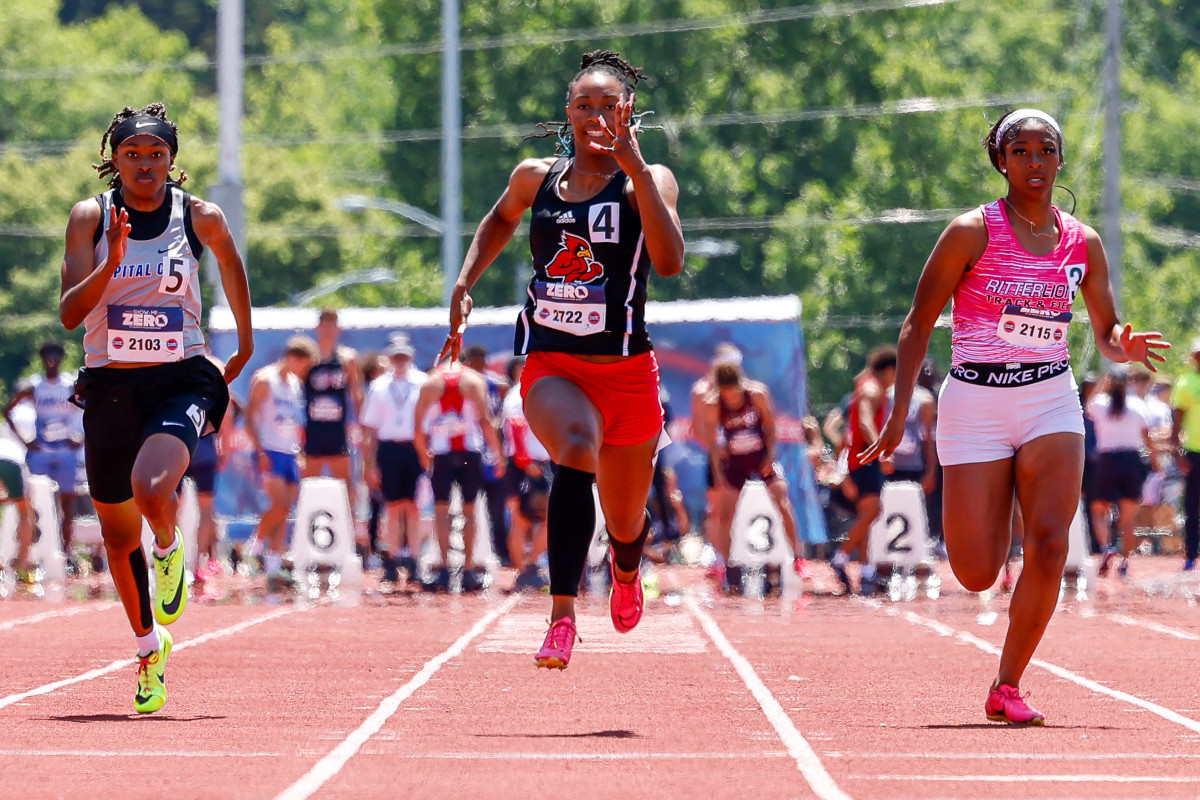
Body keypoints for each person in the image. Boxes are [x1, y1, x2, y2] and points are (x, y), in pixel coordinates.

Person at [861, 108, 1168, 725]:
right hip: (974, 401)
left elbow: (1105, 329)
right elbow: (918, 323)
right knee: (976, 571)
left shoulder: (1083, 241)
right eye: (1020, 150)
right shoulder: (970, 231)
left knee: (1052, 543)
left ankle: (1008, 683)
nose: (1034, 161)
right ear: (1001, 161)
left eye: (1045, 149)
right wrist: (898, 414)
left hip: (1049, 397)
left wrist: (1121, 346)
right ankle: (993, 534)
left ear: (1059, 160)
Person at [440, 49, 684, 668]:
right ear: (567, 115)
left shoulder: (647, 181)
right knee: (574, 450)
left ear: (628, 113)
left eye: (609, 105)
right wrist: (465, 283)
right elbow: (498, 220)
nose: (596, 114)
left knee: (626, 520)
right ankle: (562, 617)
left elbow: (671, 260)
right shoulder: (534, 178)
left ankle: (626, 566)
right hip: (553, 365)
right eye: (584, 105)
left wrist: (631, 161)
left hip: (628, 375)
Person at [59, 102, 252, 713]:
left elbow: (232, 267)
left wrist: (243, 346)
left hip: (180, 380)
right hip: (110, 388)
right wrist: (112, 263)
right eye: (132, 154)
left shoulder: (199, 217)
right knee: (117, 540)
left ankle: (169, 547)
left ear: (173, 161)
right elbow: (69, 314)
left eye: (157, 155)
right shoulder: (92, 217)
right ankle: (149, 648)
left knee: (152, 489)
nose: (145, 165)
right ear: (112, 160)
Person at [700, 361, 802, 593]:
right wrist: (718, 475)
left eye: (734, 393)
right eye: (727, 394)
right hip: (735, 462)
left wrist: (770, 456)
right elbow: (713, 444)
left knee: (782, 501)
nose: (732, 398)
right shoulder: (713, 403)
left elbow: (771, 426)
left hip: (759, 455)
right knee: (726, 512)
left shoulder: (756, 394)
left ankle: (797, 557)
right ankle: (730, 569)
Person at [413, 357, 505, 592]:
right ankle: (467, 570)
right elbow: (486, 420)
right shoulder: (474, 380)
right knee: (469, 510)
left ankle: (444, 569)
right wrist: (498, 454)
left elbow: (418, 427)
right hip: (469, 453)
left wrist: (424, 456)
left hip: (442, 453)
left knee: (441, 509)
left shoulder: (430, 382)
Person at [3, 342, 85, 569]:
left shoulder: (69, 385)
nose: (51, 361)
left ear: (60, 360)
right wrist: (25, 441)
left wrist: (81, 438)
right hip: (41, 451)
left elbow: (92, 408)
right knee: (36, 502)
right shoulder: (35, 386)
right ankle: (34, 552)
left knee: (67, 503)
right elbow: (8, 410)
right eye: (47, 357)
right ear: (42, 360)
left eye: (55, 357)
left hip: (66, 450)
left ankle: (66, 553)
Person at [245, 335, 316, 589]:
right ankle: (255, 544)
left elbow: (297, 422)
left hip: (289, 452)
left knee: (286, 510)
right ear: (292, 358)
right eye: (304, 365)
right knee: (278, 504)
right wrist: (259, 450)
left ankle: (274, 565)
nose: (305, 371)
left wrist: (301, 451)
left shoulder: (296, 384)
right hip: (270, 450)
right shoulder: (266, 380)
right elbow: (250, 415)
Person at [359, 335, 427, 586]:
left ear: (411, 356)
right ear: (389, 358)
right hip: (388, 449)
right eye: (395, 356)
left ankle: (415, 561)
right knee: (393, 507)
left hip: (414, 447)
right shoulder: (378, 386)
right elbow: (369, 429)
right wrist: (369, 463)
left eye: (404, 356)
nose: (400, 361)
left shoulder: (422, 382)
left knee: (414, 507)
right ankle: (393, 559)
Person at [831, 347, 897, 596]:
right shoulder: (871, 389)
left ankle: (866, 570)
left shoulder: (865, 386)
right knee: (872, 511)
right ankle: (840, 557)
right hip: (864, 460)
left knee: (866, 516)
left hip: (858, 460)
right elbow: (864, 422)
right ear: (890, 370)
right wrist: (880, 451)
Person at [1086, 365, 1153, 579]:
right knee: (1128, 517)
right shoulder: (1137, 404)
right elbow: (1146, 436)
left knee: (1099, 510)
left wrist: (1102, 384)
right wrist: (1155, 461)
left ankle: (1106, 547)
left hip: (1107, 461)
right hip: (1131, 460)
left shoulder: (1100, 403)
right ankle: (1126, 561)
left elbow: (1089, 406)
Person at [303, 308, 364, 539]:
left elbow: (355, 394)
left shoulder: (347, 359)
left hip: (337, 430)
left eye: (332, 325)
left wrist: (359, 425)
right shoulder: (309, 358)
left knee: (345, 484)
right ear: (318, 328)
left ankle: (347, 535)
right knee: (308, 484)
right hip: (313, 429)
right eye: (324, 324)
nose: (328, 329)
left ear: (338, 328)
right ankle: (308, 533)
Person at [502, 356, 554, 590]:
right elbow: (515, 426)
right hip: (526, 464)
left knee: (544, 517)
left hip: (539, 462)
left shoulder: (536, 391)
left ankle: (530, 565)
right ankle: (525, 569)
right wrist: (525, 461)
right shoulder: (519, 393)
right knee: (522, 519)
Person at [462, 343, 512, 567]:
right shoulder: (464, 382)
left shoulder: (493, 383)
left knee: (496, 506)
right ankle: (474, 552)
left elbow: (500, 410)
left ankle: (501, 550)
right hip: (470, 446)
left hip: (489, 446)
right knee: (468, 503)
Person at [1170, 337, 1200, 572]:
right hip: (1194, 452)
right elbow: (1177, 418)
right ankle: (1191, 554)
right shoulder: (1186, 382)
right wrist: (1177, 452)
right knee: (1192, 506)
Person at [0, 436, 37, 584]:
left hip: (10, 460)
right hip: (12, 463)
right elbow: (26, 498)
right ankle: (22, 562)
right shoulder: (18, 448)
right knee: (24, 512)